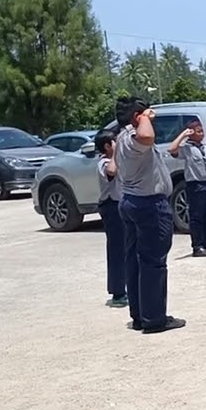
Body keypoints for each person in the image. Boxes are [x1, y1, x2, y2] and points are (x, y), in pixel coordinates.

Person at [114, 97, 184, 334]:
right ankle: (154, 318)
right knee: (153, 262)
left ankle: (140, 314)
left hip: (131, 202)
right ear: (136, 117)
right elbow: (147, 137)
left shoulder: (121, 137)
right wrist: (144, 117)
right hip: (149, 204)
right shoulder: (134, 137)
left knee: (136, 261)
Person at [169, 117, 206, 257]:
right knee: (196, 217)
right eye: (198, 131)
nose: (201, 133)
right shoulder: (187, 149)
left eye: (202, 130)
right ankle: (197, 246)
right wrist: (183, 135)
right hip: (195, 185)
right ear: (191, 132)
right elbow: (172, 149)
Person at [95, 130, 127, 309]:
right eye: (114, 142)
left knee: (127, 248)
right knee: (116, 251)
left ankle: (126, 286)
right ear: (107, 146)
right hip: (111, 207)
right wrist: (115, 154)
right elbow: (111, 172)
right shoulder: (103, 162)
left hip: (122, 205)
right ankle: (117, 292)